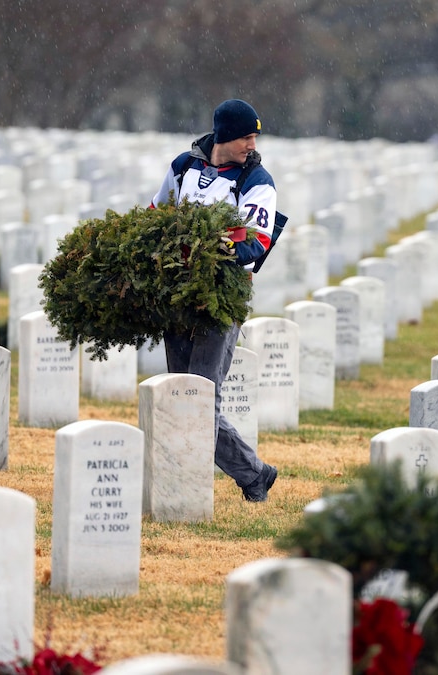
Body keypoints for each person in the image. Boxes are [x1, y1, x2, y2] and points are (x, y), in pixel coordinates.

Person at [151, 99, 278, 502]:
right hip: (179, 295)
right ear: (224, 135)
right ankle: (229, 475)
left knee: (201, 396)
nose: (251, 143)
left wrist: (206, 252)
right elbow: (155, 214)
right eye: (245, 135)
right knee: (179, 392)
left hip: (224, 297)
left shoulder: (257, 179)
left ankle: (252, 474)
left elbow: (256, 242)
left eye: (254, 135)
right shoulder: (183, 166)